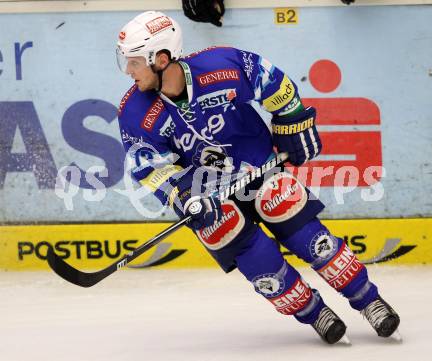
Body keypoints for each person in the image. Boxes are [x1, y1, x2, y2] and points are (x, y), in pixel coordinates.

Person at [116, 11, 400, 344]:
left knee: (303, 230)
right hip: (209, 196)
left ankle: (369, 300)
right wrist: (182, 197)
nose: (128, 71)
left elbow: (275, 83)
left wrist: (292, 121)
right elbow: (149, 167)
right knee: (250, 252)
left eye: (134, 62)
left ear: (161, 59)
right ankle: (314, 312)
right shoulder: (135, 112)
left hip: (259, 169)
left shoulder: (221, 65)